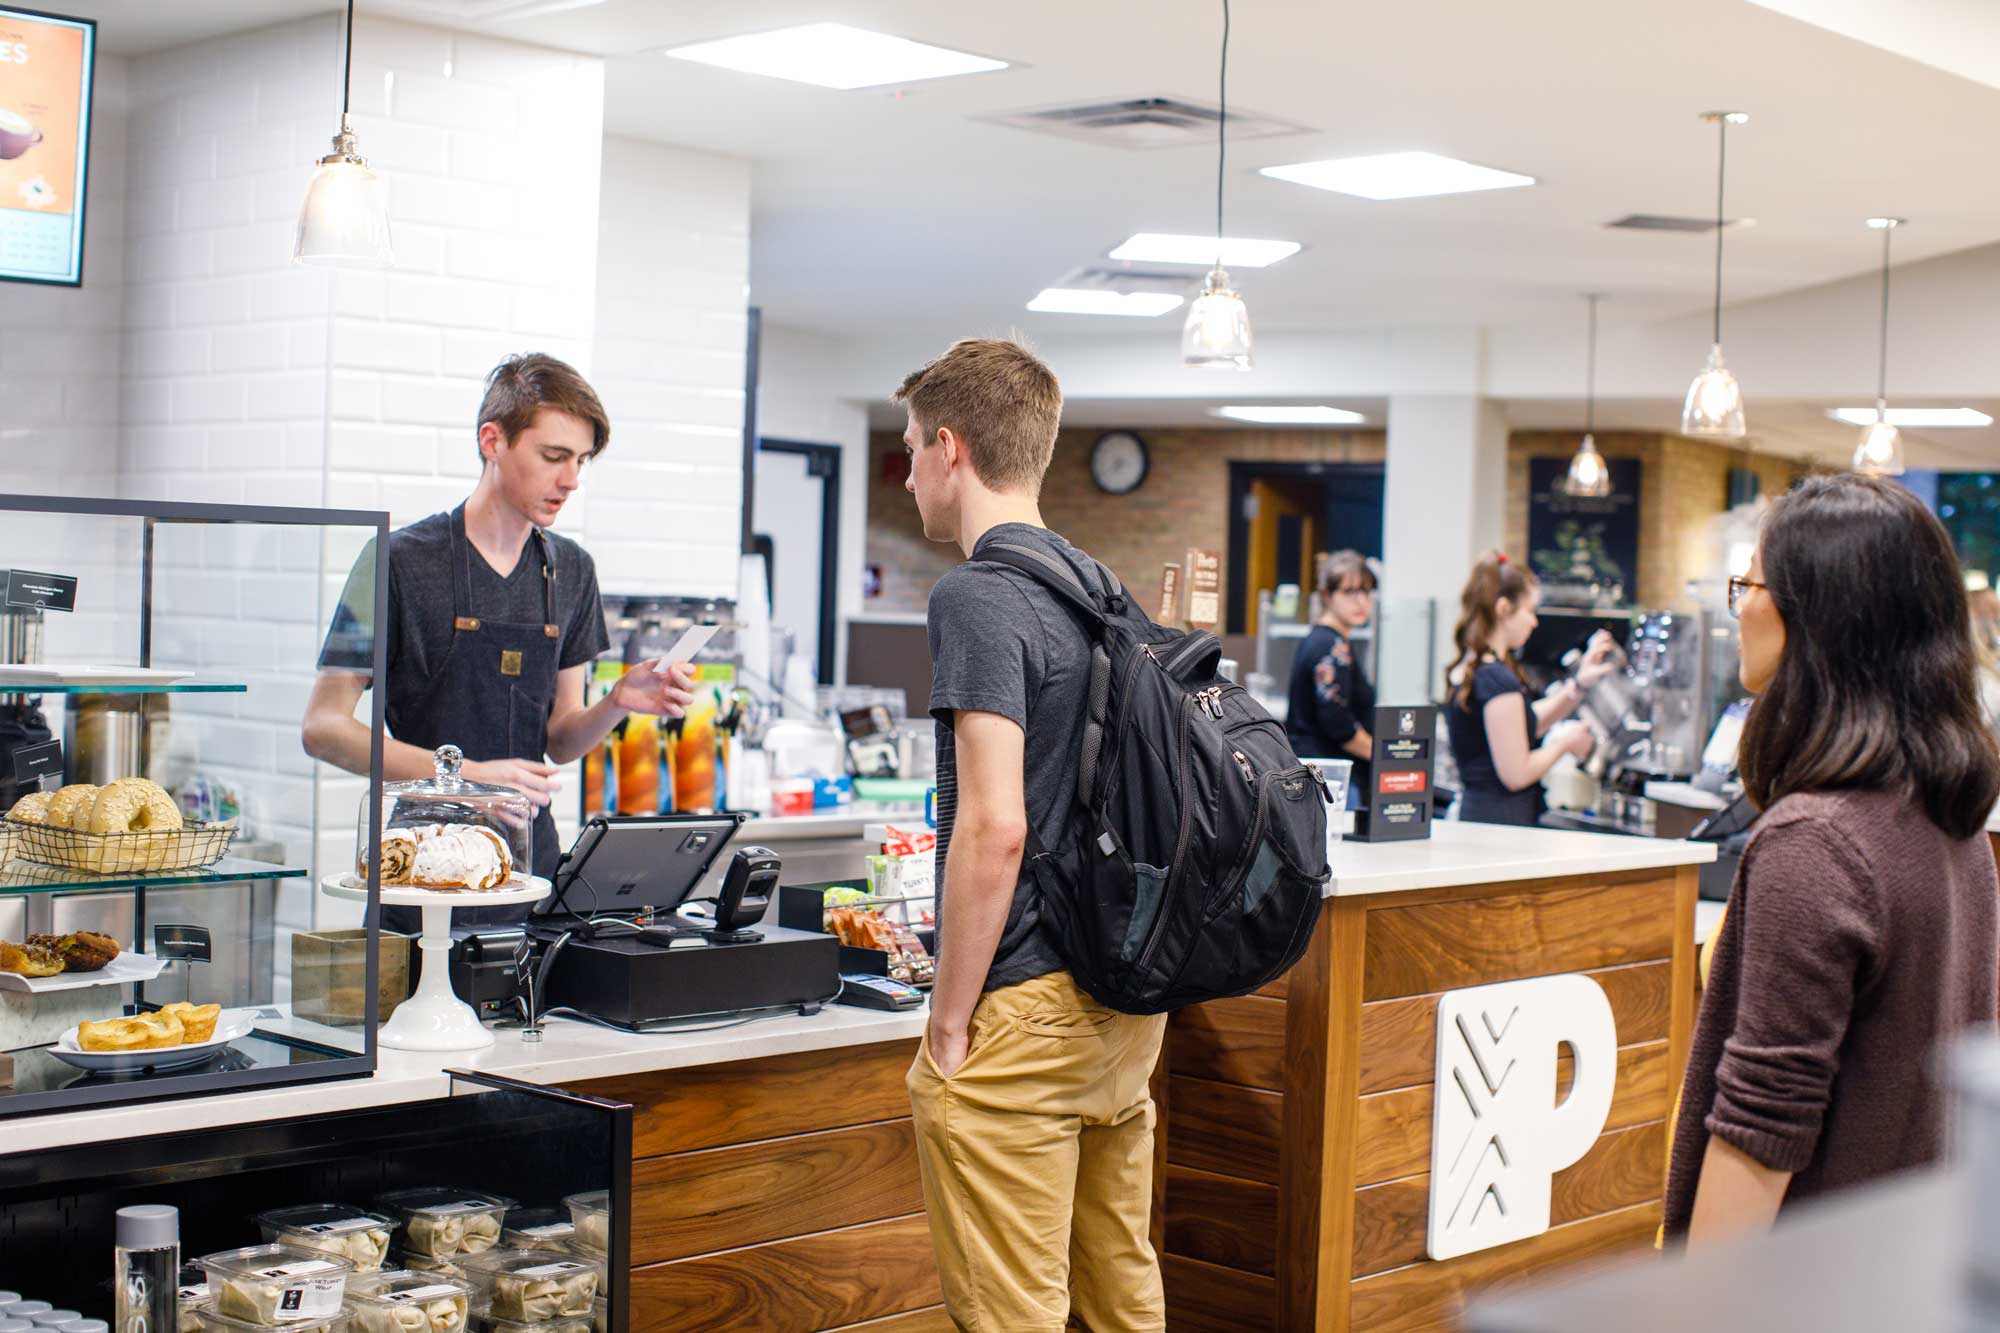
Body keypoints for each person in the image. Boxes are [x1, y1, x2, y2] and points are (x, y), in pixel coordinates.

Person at [897, 338, 1167, 1333]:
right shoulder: (1103, 592)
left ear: (950, 447)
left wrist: (948, 1015)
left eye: (912, 448)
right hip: (1121, 1004)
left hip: (1020, 1003)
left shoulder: (974, 594)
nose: (909, 471)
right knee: (1117, 1299)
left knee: (1012, 1317)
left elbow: (994, 824)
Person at [1666, 474, 2000, 1244]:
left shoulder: (1815, 842)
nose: (1740, 606)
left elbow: (1761, 1128)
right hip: (1904, 1264)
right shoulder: (1953, 819)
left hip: (1801, 1287)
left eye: (1749, 581)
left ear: (1814, 615)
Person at [303, 353, 696, 925]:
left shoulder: (572, 570)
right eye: (554, 456)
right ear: (493, 440)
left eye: (581, 461)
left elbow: (559, 739)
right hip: (421, 877)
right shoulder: (397, 562)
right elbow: (323, 727)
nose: (570, 480)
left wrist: (617, 704)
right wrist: (463, 779)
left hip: (533, 874)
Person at [1441, 552, 1615, 825]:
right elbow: (1516, 774)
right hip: (1500, 823)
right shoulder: (1496, 679)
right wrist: (1565, 744)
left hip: (1482, 817)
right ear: (1503, 609)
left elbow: (1520, 727)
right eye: (1530, 611)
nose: (1534, 622)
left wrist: (1578, 686)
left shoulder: (1478, 670)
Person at [1286, 550, 1376, 806]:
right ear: (1327, 595)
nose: (1360, 601)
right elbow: (1338, 722)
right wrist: (1387, 757)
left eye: (1366, 591)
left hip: (1324, 778)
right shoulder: (1329, 645)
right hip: (1330, 781)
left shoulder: (1327, 640)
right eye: (1349, 592)